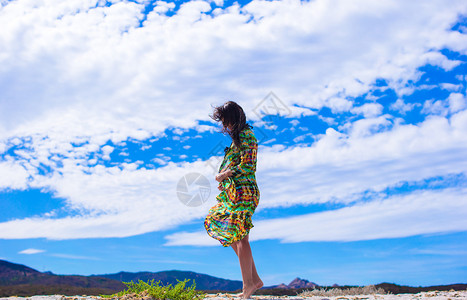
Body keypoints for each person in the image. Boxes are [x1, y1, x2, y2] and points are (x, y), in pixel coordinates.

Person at [204, 101, 263, 299]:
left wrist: (224, 175)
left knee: (240, 237)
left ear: (234, 119)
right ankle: (253, 280)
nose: (225, 126)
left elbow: (247, 166)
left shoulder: (247, 136)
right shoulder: (237, 139)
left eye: (226, 121)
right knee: (221, 223)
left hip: (245, 192)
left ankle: (249, 285)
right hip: (234, 192)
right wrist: (224, 179)